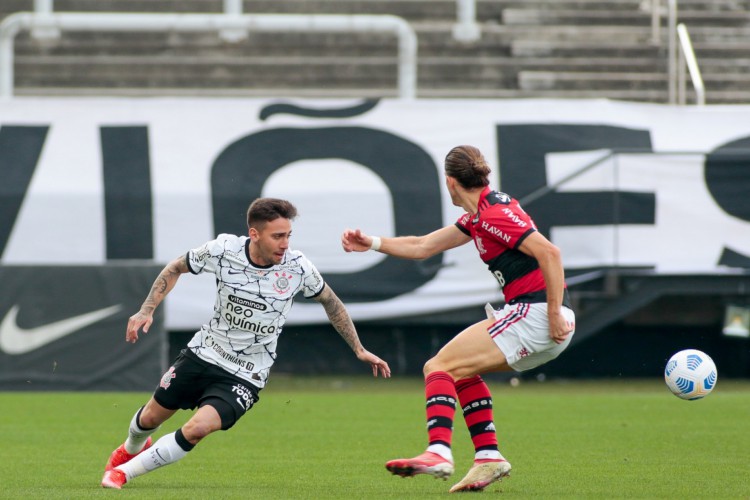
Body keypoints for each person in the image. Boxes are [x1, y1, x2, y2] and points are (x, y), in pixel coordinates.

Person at [101, 197, 391, 489]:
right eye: (278, 236)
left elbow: (331, 302)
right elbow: (175, 267)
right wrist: (146, 309)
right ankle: (130, 447)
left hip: (247, 372)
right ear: (255, 234)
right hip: (204, 353)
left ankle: (124, 472)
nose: (285, 243)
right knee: (150, 417)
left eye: (288, 235)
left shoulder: (297, 267)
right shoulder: (224, 250)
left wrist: (359, 348)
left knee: (197, 428)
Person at [341, 145, 575, 493]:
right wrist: (372, 242)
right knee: (459, 372)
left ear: (450, 183)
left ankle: (438, 452)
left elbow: (549, 253)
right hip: (534, 316)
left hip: (537, 314)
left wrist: (554, 313)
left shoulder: (494, 212)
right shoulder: (478, 216)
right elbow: (422, 246)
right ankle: (488, 457)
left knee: (438, 368)